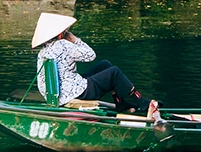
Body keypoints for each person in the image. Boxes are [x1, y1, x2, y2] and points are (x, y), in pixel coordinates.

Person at [31, 12, 160, 120]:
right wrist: (75, 40)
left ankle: (120, 102)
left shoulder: (42, 52)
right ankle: (141, 101)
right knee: (114, 72)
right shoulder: (63, 45)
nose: (67, 33)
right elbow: (90, 55)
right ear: (60, 34)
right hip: (74, 93)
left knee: (105, 65)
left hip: (60, 93)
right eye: (66, 32)